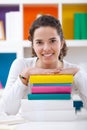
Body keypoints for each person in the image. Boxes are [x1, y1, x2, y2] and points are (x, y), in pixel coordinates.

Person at [0, 15, 87, 115]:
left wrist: (78, 74)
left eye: (53, 41)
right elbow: (7, 111)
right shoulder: (21, 65)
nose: (46, 48)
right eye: (39, 42)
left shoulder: (74, 70)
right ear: (33, 45)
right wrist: (26, 74)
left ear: (62, 43)